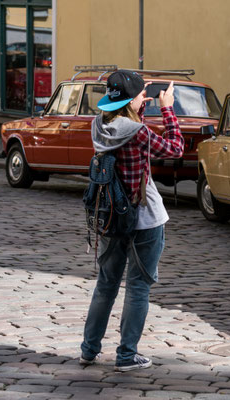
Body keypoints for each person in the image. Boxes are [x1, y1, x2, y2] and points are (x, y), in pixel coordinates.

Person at [79, 70, 184, 372]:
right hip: (145, 220)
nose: (145, 99)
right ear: (132, 102)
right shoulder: (137, 132)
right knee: (138, 287)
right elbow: (174, 149)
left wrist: (134, 99)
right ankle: (127, 355)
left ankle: (89, 350)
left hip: (111, 217)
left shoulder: (98, 125)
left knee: (106, 285)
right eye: (141, 96)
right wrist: (167, 108)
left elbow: (125, 124)